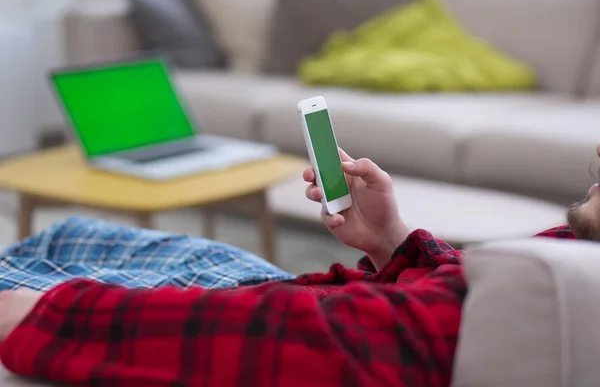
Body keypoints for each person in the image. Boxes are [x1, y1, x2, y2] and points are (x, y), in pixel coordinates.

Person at [0, 142, 592, 387]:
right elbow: (474, 295)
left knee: (32, 274)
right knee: (72, 233)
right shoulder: (575, 251)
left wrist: (57, 315)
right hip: (304, 291)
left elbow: (327, 340)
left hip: (276, 309)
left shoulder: (570, 280)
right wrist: (394, 240)